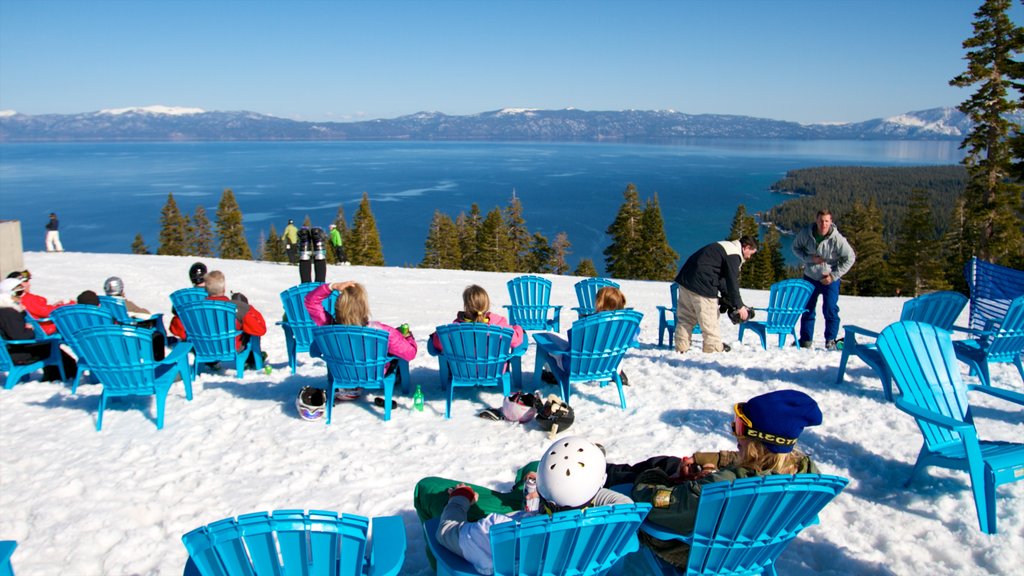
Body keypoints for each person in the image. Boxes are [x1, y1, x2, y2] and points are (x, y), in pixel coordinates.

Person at [614, 390, 823, 570]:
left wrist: (653, 478)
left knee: (643, 474)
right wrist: (713, 462)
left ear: (757, 443)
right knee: (668, 462)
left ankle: (599, 469)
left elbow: (655, 505)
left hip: (697, 550)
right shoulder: (806, 475)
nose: (735, 435)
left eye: (740, 428)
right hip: (747, 548)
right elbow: (758, 467)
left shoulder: (721, 487)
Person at [414, 436, 632, 575]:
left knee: (427, 488)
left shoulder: (500, 530)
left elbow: (446, 532)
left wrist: (459, 499)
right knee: (531, 467)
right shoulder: (613, 522)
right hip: (565, 552)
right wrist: (576, 488)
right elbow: (622, 502)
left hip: (514, 544)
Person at [304, 280, 416, 401]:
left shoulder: (328, 327)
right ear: (364, 307)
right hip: (374, 374)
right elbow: (410, 354)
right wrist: (408, 337)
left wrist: (332, 287)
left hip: (342, 372)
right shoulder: (383, 332)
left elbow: (310, 301)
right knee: (395, 358)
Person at [673, 235, 758, 354]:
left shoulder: (724, 246)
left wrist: (726, 298)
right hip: (702, 286)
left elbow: (721, 278)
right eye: (751, 253)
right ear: (746, 247)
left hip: (686, 281)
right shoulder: (734, 255)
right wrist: (739, 307)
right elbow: (732, 282)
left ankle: (681, 348)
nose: (749, 257)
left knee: (686, 318)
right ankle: (713, 350)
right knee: (709, 321)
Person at [169, 270, 266, 366]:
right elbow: (260, 329)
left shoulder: (192, 310)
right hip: (233, 348)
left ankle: (211, 362)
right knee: (247, 331)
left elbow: (175, 329)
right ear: (224, 288)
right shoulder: (238, 307)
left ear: (206, 289)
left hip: (203, 348)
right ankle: (251, 359)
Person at [792, 210, 856, 350]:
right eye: (821, 221)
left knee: (830, 309)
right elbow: (795, 248)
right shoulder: (806, 233)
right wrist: (809, 259)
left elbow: (850, 258)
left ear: (831, 221)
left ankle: (830, 340)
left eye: (826, 221)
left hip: (830, 280)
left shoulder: (837, 239)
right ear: (816, 220)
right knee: (807, 309)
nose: (823, 224)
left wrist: (833, 276)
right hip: (810, 277)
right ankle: (805, 340)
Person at [0, 277, 76, 381]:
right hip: (17, 355)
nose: (21, 296)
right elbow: (20, 336)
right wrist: (30, 329)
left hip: (8, 353)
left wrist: (21, 314)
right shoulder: (9, 313)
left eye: (22, 293)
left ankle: (55, 374)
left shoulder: (5, 311)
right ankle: (63, 374)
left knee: (48, 345)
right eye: (18, 293)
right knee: (51, 346)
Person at [429, 285, 524, 353]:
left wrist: (436, 335)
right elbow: (515, 341)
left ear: (466, 306)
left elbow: (439, 344)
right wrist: (518, 328)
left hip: (464, 372)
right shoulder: (499, 324)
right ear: (487, 305)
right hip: (493, 371)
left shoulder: (456, 328)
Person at [103, 276, 166, 360]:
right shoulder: (124, 304)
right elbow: (146, 315)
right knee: (157, 333)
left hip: (108, 341)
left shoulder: (102, 305)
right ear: (121, 289)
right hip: (130, 340)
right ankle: (158, 360)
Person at [7, 270, 70, 335]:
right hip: (46, 330)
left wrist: (55, 305)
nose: (29, 284)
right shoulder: (28, 299)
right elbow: (48, 312)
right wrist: (67, 304)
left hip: (35, 330)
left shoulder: (10, 300)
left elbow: (38, 310)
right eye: (25, 281)